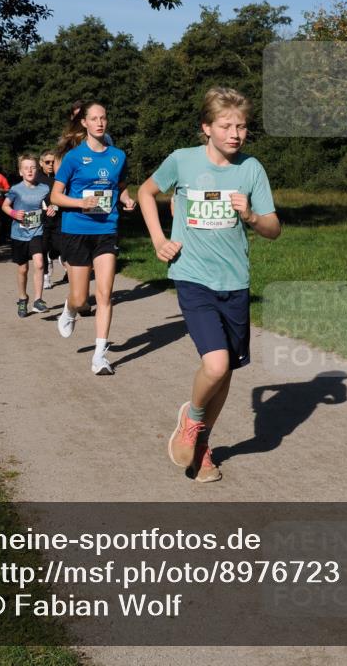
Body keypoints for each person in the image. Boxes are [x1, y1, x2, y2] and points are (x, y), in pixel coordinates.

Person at [137, 86, 280, 484]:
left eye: (242, 126)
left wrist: (250, 214)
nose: (235, 134)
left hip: (235, 282)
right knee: (214, 365)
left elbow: (274, 229)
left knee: (226, 371)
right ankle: (191, 420)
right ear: (206, 128)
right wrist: (158, 239)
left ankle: (201, 449)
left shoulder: (251, 169)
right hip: (192, 277)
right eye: (226, 126)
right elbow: (146, 192)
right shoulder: (182, 162)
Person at [50, 101, 136, 374]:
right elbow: (55, 196)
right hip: (76, 230)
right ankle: (70, 309)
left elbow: (119, 187)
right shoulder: (73, 158)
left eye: (104, 118)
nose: (100, 122)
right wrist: (80, 204)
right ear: (84, 123)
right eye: (94, 118)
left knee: (105, 294)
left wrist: (126, 199)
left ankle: (100, 356)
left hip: (106, 230)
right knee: (80, 298)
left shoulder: (117, 156)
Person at [2, 153, 50, 318]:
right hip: (19, 234)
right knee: (23, 269)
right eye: (26, 168)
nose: (30, 170)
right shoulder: (16, 189)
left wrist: (52, 209)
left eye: (33, 167)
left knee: (39, 264)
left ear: (37, 170)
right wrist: (14, 213)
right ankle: (23, 298)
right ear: (21, 171)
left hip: (37, 232)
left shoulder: (44, 188)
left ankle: (38, 299)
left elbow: (52, 204)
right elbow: (5, 206)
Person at [38, 150, 66, 289]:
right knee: (42, 246)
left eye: (53, 162)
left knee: (59, 246)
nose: (50, 165)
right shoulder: (36, 179)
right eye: (47, 162)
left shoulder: (61, 178)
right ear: (41, 163)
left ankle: (52, 257)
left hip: (58, 218)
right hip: (42, 220)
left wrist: (56, 206)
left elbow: (65, 196)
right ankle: (46, 275)